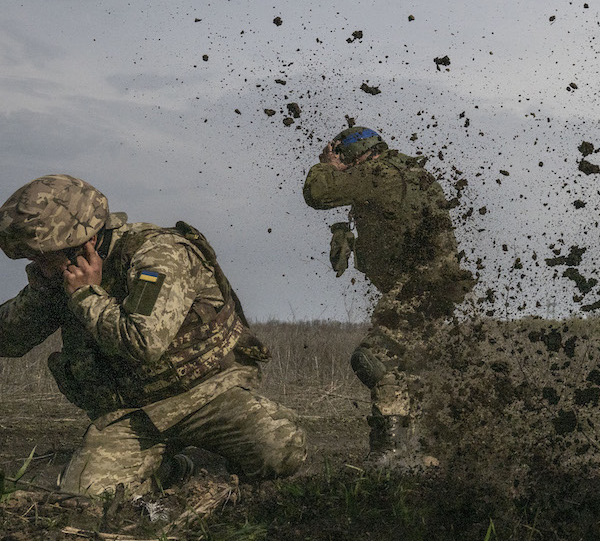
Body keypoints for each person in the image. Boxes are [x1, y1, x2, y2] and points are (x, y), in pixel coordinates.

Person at [0, 175, 306, 496]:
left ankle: (209, 462)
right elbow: (10, 337)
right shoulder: (63, 275)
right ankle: (174, 468)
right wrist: (48, 293)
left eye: (42, 256)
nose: (38, 266)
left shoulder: (158, 255)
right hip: (135, 416)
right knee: (86, 494)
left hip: (207, 395)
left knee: (282, 449)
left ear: (82, 243)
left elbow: (144, 342)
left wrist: (86, 296)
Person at [303, 126, 475, 462]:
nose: (344, 165)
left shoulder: (378, 171)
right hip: (433, 288)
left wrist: (326, 165)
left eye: (343, 156)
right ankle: (418, 455)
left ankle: (394, 452)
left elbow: (318, 193)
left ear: (355, 153)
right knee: (403, 370)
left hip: (422, 288)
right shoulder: (407, 172)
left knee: (375, 359)